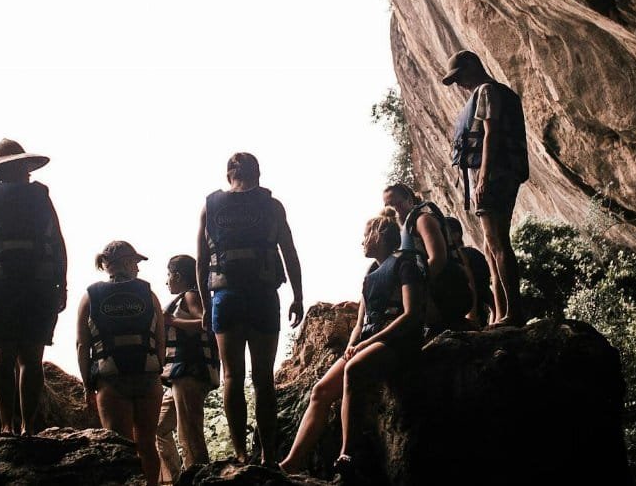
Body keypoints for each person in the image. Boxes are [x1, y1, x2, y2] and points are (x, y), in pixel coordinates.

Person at [278, 209, 424, 477]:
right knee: (321, 390)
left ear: (379, 234)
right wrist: (352, 344)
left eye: (366, 234)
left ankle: (348, 453)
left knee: (353, 370)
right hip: (369, 341)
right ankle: (291, 463)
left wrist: (370, 342)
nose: (362, 241)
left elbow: (411, 313)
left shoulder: (405, 264)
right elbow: (360, 321)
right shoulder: (371, 273)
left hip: (396, 341)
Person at [196, 152, 303, 465]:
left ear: (229, 174)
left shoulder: (210, 206)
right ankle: (269, 456)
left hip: (225, 297)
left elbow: (202, 261)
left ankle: (241, 454)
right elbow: (290, 252)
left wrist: (205, 305)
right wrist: (298, 295)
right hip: (262, 295)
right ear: (258, 173)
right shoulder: (272, 206)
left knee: (232, 376)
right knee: (263, 378)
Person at [0, 138, 67, 436]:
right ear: (21, 167)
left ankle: (7, 424)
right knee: (32, 357)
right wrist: (62, 283)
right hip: (39, 282)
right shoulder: (41, 196)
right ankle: (28, 426)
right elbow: (58, 242)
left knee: (3, 353)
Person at [443, 50, 529, 327]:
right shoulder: (487, 92)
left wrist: (482, 178)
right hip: (498, 173)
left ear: (473, 66)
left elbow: (490, 133)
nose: (459, 84)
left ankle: (513, 313)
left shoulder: (487, 91)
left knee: (497, 243)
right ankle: (501, 312)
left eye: (459, 76)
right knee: (489, 245)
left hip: (494, 175)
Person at [77, 240, 165, 485]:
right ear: (126, 262)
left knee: (120, 448)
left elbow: (82, 345)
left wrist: (87, 385)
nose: (138, 268)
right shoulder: (148, 293)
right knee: (147, 444)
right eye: (136, 262)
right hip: (147, 376)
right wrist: (156, 369)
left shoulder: (90, 296)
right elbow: (160, 340)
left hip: (110, 378)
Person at [155, 254, 218, 484]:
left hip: (189, 373)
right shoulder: (184, 298)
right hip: (176, 377)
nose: (167, 281)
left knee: (189, 433)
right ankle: (175, 478)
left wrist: (172, 322)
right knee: (158, 428)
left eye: (169, 275)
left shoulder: (191, 295)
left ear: (178, 276)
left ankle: (199, 478)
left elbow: (206, 323)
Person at [382, 184, 473, 334]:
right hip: (437, 292)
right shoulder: (406, 230)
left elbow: (438, 259)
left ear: (409, 201)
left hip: (450, 290)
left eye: (395, 203)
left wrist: (415, 289)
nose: (393, 209)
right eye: (388, 205)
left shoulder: (422, 220)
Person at [445, 216, 491, 328]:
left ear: (456, 235)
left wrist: (472, 314)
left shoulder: (466, 256)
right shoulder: (472, 253)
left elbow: (472, 283)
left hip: (473, 312)